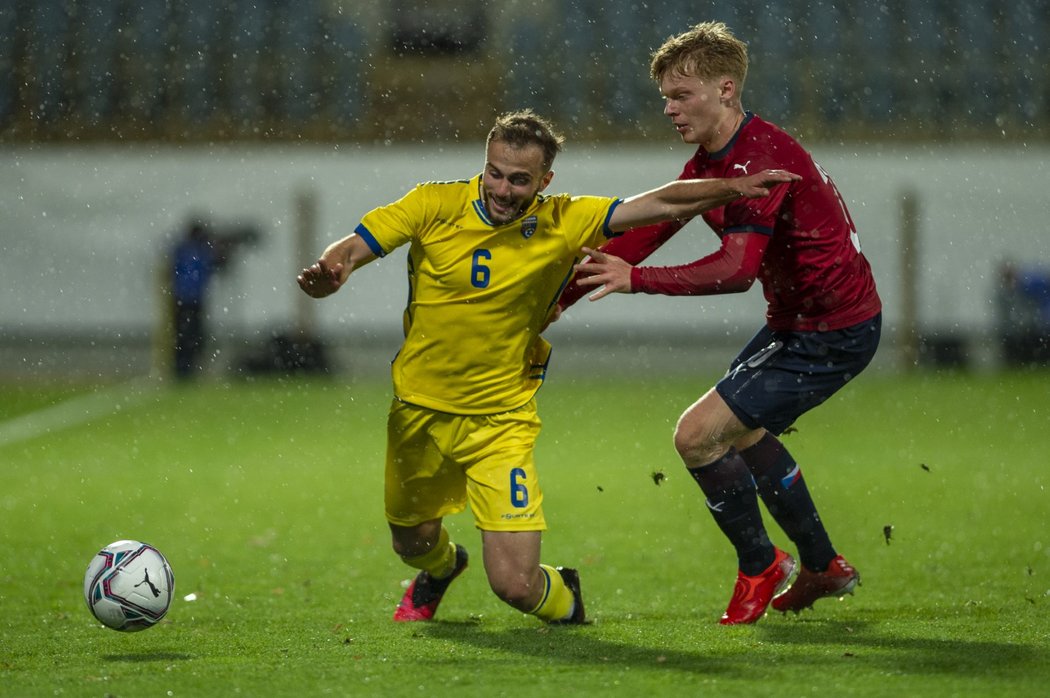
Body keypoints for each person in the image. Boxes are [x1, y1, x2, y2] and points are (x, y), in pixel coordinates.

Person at [296, 109, 797, 625]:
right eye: (495, 172)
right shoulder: (433, 204)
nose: (503, 188)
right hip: (417, 414)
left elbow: (661, 202)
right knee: (413, 542)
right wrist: (334, 270)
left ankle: (568, 601)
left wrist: (736, 188)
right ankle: (443, 568)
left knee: (515, 587)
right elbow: (355, 246)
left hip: (499, 421)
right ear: (484, 164)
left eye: (519, 180)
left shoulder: (563, 218)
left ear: (544, 181)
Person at [559, 22, 883, 625]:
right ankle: (821, 565)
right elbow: (644, 234)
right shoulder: (717, 163)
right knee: (741, 431)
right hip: (807, 324)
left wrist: (637, 282)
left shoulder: (761, 159)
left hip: (829, 330)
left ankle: (762, 563)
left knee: (696, 435)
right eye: (665, 97)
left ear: (726, 89)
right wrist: (552, 307)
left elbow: (736, 269)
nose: (668, 109)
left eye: (681, 96)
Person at [171, 219, 217, 380]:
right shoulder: (197, 250)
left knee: (188, 334)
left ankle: (185, 367)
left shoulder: (185, 249)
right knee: (189, 334)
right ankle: (184, 367)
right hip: (190, 299)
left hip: (185, 298)